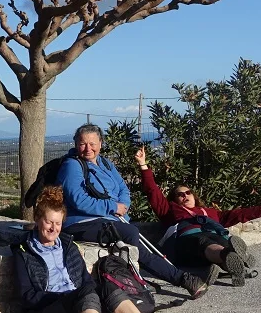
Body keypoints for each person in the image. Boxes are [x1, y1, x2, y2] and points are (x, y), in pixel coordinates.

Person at [13, 186, 186, 313]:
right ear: (37, 220)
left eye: (58, 223)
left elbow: (86, 282)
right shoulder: (23, 251)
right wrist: (65, 297)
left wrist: (90, 294)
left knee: (108, 287)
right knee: (84, 292)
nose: (54, 228)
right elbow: (26, 296)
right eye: (48, 222)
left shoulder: (69, 246)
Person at [57, 123, 208, 300]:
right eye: (83, 144)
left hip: (110, 220)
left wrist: (123, 206)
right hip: (81, 223)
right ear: (76, 144)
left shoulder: (105, 163)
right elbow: (78, 200)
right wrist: (113, 208)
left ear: (101, 143)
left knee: (133, 237)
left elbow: (122, 188)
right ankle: (180, 279)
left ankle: (178, 278)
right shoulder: (71, 166)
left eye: (93, 143)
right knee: (130, 234)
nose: (88, 148)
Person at [134, 146, 261, 286]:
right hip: (186, 242)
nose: (185, 196)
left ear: (194, 196)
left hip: (214, 234)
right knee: (203, 242)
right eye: (179, 195)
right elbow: (152, 191)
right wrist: (143, 165)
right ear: (175, 200)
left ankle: (228, 259)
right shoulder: (170, 211)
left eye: (188, 192)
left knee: (220, 239)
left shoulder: (210, 212)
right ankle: (231, 257)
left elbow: (239, 214)